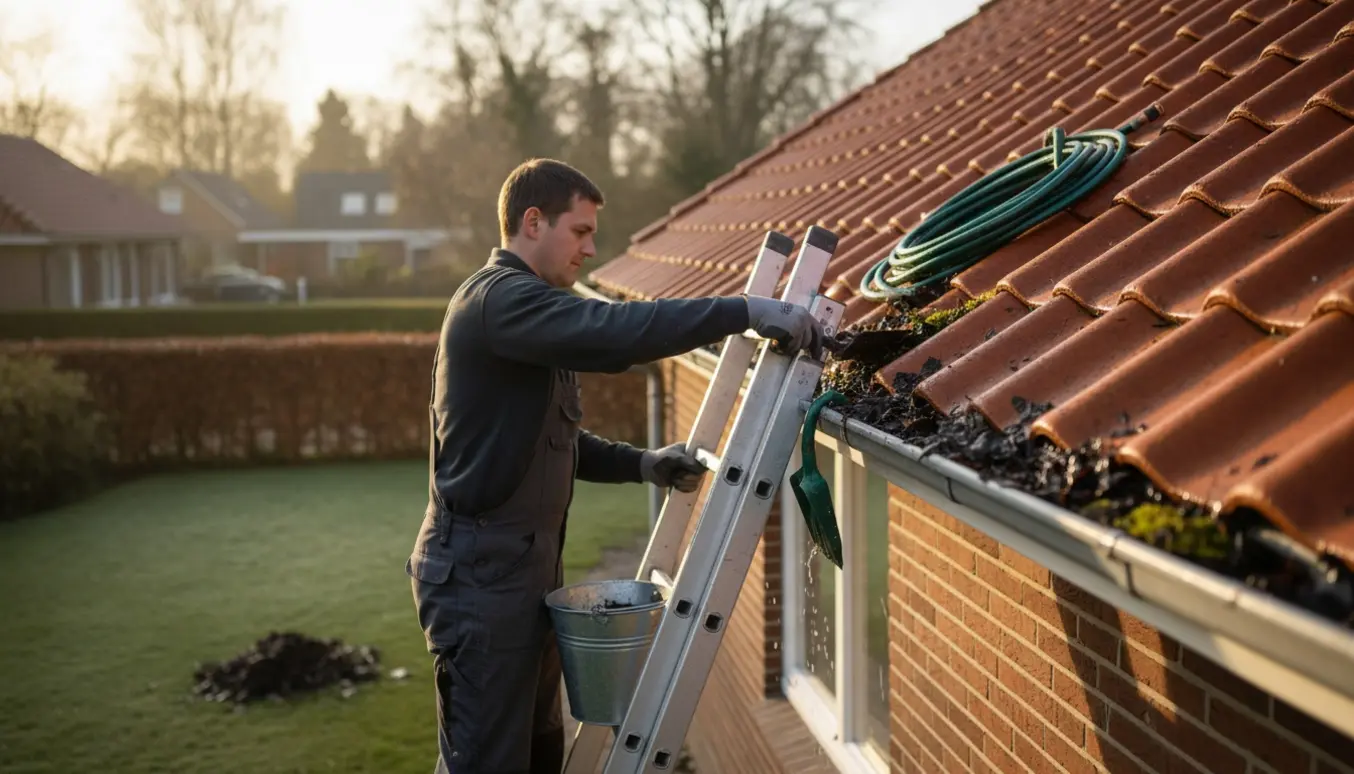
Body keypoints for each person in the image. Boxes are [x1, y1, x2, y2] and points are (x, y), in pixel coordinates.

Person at [405, 157, 824, 774]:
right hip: (477, 584)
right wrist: (743, 311)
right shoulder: (500, 301)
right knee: (488, 761)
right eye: (580, 231)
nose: (591, 249)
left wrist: (645, 464)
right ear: (532, 222)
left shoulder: (529, 315)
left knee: (537, 751)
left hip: (516, 577)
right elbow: (616, 330)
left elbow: (555, 443)